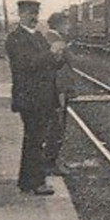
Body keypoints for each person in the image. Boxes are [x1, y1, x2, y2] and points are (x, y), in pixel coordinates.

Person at [5, 0, 67, 196]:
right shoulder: (15, 39)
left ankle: (26, 182)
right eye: (30, 13)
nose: (34, 17)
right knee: (36, 139)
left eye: (36, 13)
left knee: (34, 138)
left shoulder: (39, 36)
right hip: (30, 97)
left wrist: (60, 56)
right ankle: (37, 182)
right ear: (20, 14)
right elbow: (27, 64)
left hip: (43, 96)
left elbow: (49, 64)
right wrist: (50, 53)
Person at [40, 10, 77, 176]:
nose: (69, 27)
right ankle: (50, 163)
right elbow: (58, 69)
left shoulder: (54, 38)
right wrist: (62, 92)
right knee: (56, 126)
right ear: (59, 24)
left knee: (57, 126)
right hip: (57, 90)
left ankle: (53, 161)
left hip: (59, 89)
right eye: (67, 23)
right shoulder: (53, 40)